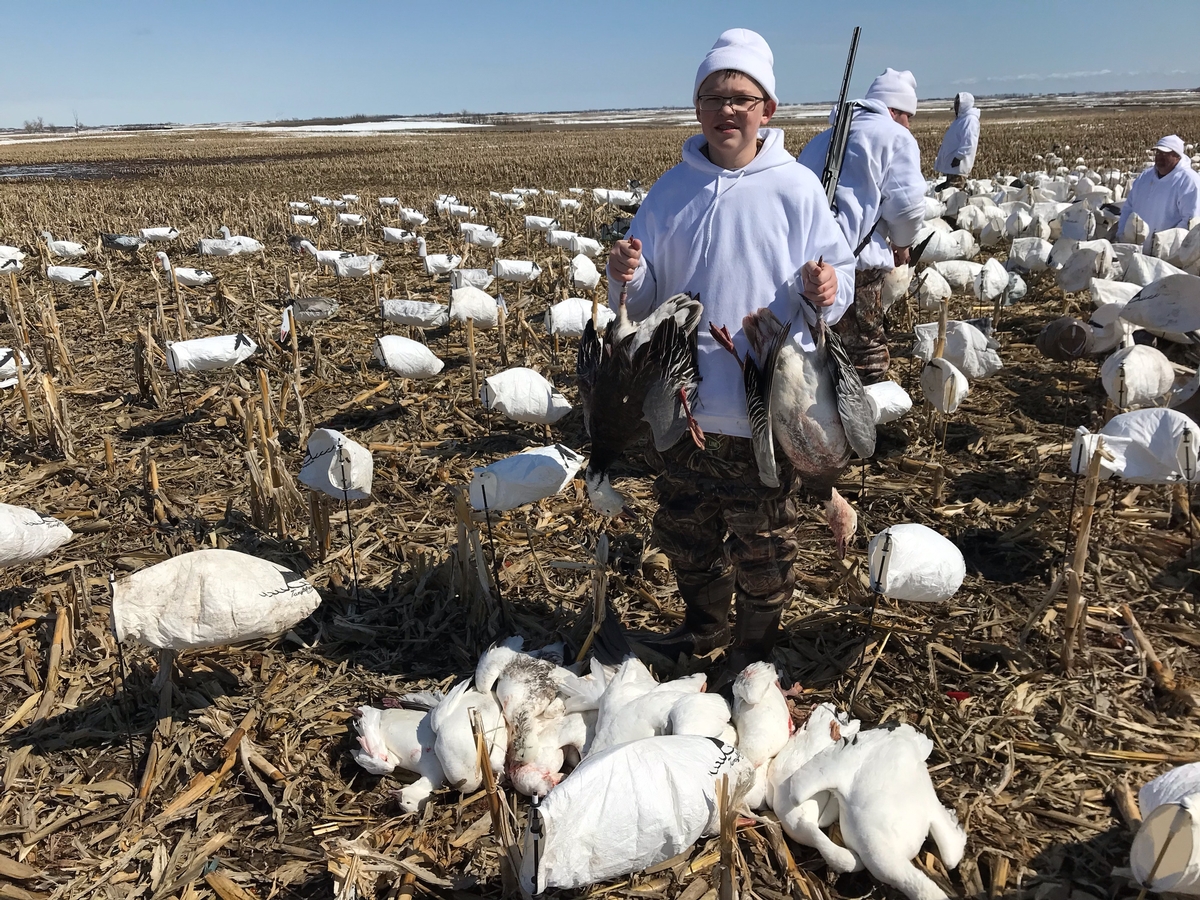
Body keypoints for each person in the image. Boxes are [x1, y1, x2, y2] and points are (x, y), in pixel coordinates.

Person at [605, 28, 856, 675]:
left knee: (763, 542)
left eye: (742, 97)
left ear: (766, 110)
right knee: (686, 535)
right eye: (715, 96)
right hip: (684, 403)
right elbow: (643, 298)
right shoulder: (669, 193)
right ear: (699, 109)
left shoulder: (796, 189)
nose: (728, 109)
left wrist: (827, 286)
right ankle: (703, 630)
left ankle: (753, 655)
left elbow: (839, 276)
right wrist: (626, 274)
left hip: (763, 406)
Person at [798, 67, 925, 384]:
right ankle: (864, 428)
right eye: (908, 116)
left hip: (806, 269)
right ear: (894, 110)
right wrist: (901, 243)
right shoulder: (895, 137)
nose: (909, 125)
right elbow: (908, 206)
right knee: (864, 358)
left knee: (815, 356)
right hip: (858, 271)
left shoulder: (820, 140)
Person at [1117, 135, 1200, 249]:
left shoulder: (1189, 181)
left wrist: (1163, 246)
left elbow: (1191, 220)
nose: (1160, 157)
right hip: (1136, 251)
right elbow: (1128, 207)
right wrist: (1122, 233)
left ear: (1177, 155)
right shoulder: (1145, 177)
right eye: (1158, 153)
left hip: (1167, 256)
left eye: (1165, 154)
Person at [933, 92, 980, 188]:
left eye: (958, 103)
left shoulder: (970, 120)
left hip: (958, 166)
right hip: (953, 167)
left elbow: (969, 141)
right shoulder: (961, 119)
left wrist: (959, 157)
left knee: (955, 195)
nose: (955, 106)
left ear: (964, 104)